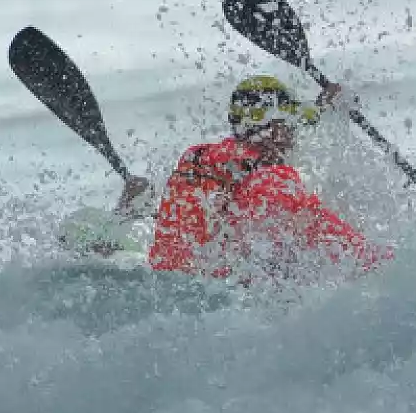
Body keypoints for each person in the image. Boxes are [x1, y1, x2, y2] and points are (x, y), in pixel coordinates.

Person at [148, 75, 391, 282]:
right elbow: (351, 254)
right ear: (275, 129)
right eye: (291, 126)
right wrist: (392, 268)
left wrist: (322, 109)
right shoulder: (270, 183)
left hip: (176, 291)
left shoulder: (197, 161)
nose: (295, 136)